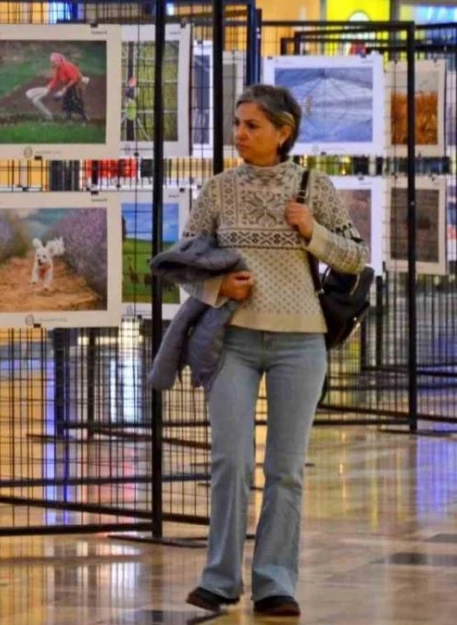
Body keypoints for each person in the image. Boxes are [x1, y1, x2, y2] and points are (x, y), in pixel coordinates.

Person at [181, 85, 369, 618]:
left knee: (286, 469)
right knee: (230, 462)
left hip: (301, 345)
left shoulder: (316, 187)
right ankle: (219, 579)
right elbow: (186, 263)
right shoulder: (217, 190)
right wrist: (221, 290)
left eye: (251, 126)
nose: (239, 135)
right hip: (232, 342)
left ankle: (276, 581)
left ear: (283, 133)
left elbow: (356, 258)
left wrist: (312, 233)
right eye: (237, 124)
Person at [26, 52, 91, 122]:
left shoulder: (66, 67)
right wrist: (49, 87)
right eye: (52, 62)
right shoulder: (58, 69)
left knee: (75, 100)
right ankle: (68, 117)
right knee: (66, 100)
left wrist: (65, 88)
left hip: (76, 84)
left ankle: (84, 117)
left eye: (53, 62)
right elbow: (55, 80)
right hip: (69, 84)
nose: (52, 64)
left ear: (58, 61)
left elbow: (74, 79)